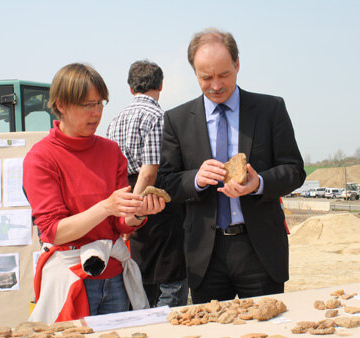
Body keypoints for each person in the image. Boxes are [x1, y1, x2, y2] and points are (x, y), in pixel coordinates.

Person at [158, 28, 306, 304]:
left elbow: (294, 170)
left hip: (259, 249)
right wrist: (196, 179)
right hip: (205, 254)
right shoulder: (177, 120)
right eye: (206, 77)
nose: (216, 85)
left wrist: (258, 183)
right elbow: (166, 183)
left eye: (224, 74)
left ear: (237, 65)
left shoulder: (269, 109)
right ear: (195, 73)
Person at [23, 63, 165, 323]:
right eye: (87, 105)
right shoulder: (41, 158)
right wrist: (107, 207)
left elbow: (120, 224)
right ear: (61, 105)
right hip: (70, 278)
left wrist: (138, 214)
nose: (96, 113)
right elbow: (54, 231)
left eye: (100, 103)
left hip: (114, 275)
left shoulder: (111, 151)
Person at [107, 60, 188, 307]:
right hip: (151, 199)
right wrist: (136, 209)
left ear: (131, 88)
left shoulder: (114, 120)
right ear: (161, 85)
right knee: (169, 272)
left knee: (140, 271)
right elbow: (149, 171)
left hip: (125, 193)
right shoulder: (157, 117)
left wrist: (125, 213)